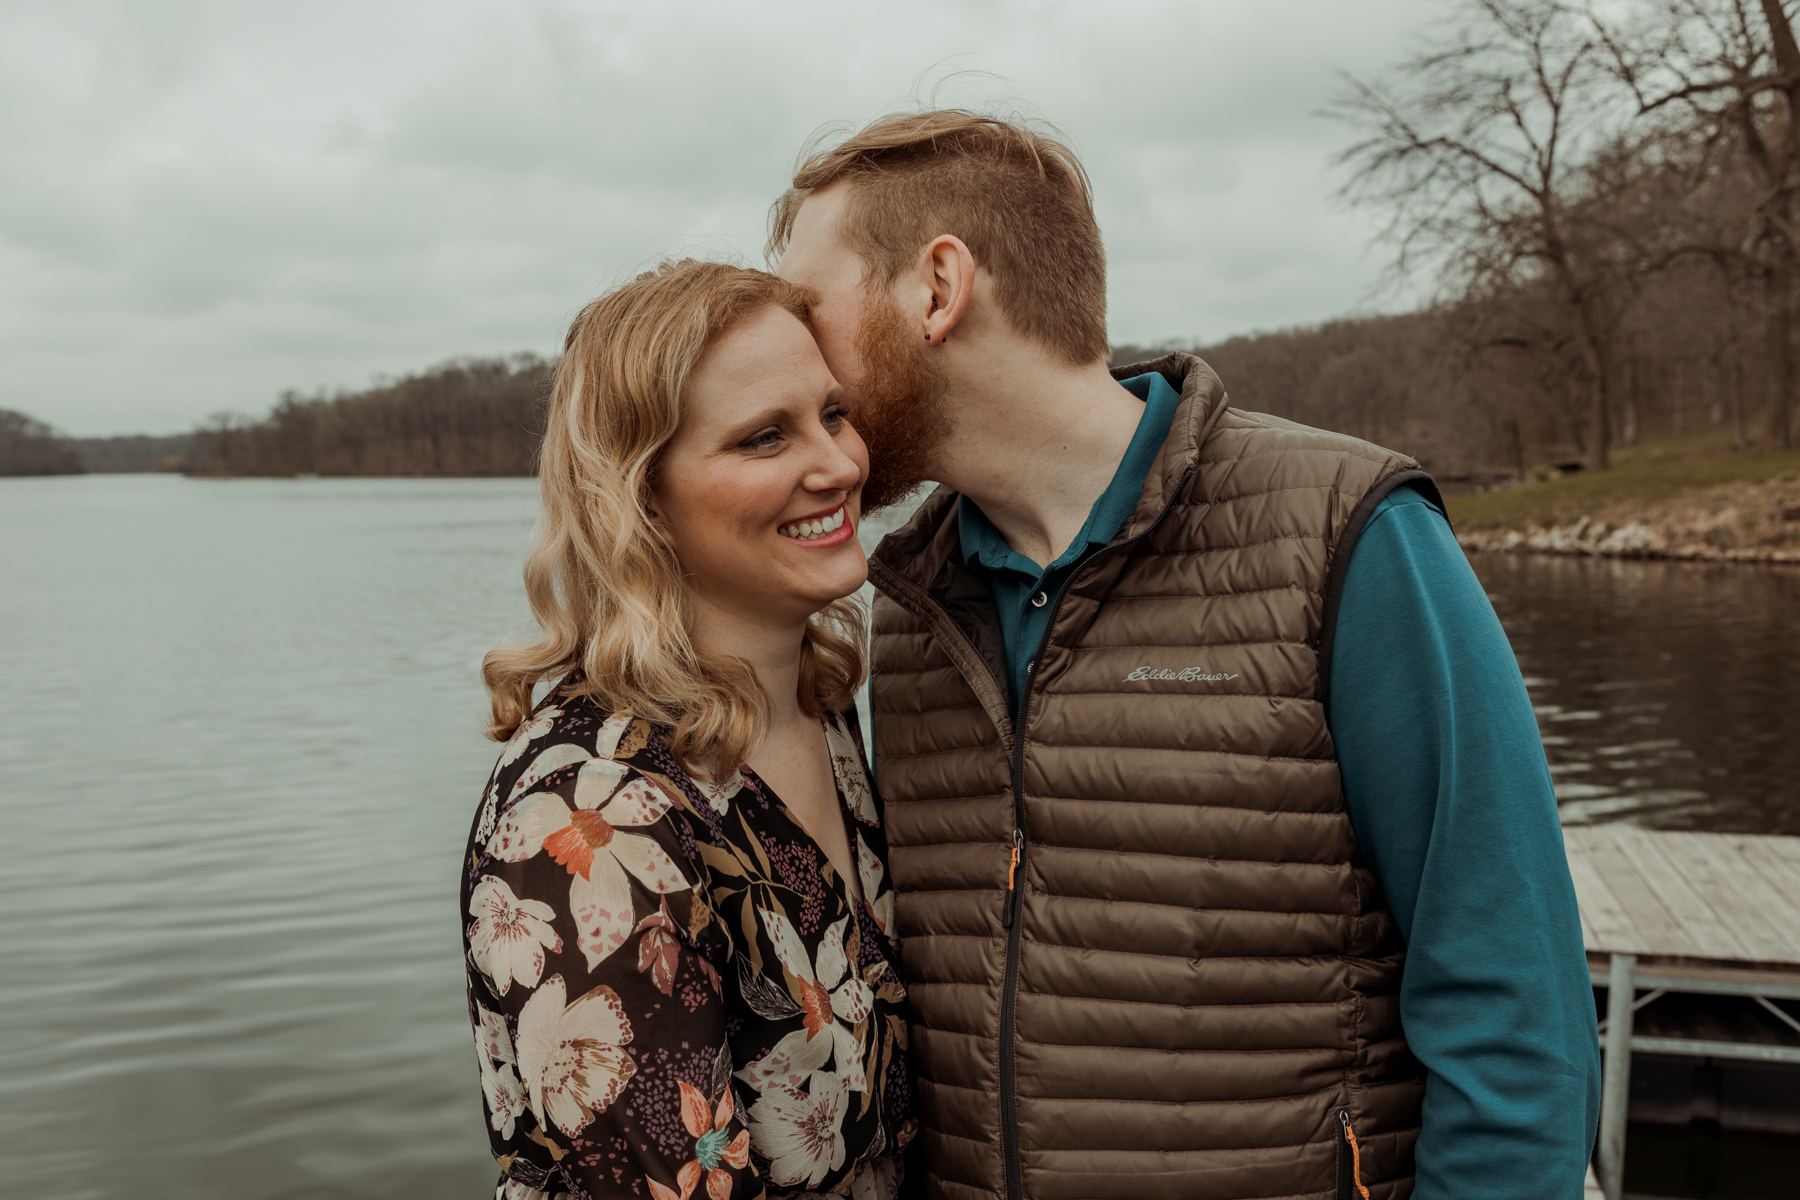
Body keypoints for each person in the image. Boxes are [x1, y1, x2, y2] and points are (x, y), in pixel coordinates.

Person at [770, 111, 1602, 1200]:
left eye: (804, 308)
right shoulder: (912, 608)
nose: (786, 352)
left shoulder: (1347, 534)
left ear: (937, 288)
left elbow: (1516, 1013)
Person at [461, 261, 915, 1200]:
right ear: (642, 500)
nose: (838, 465)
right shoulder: (588, 819)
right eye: (762, 438)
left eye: (833, 414)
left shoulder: (820, 704)